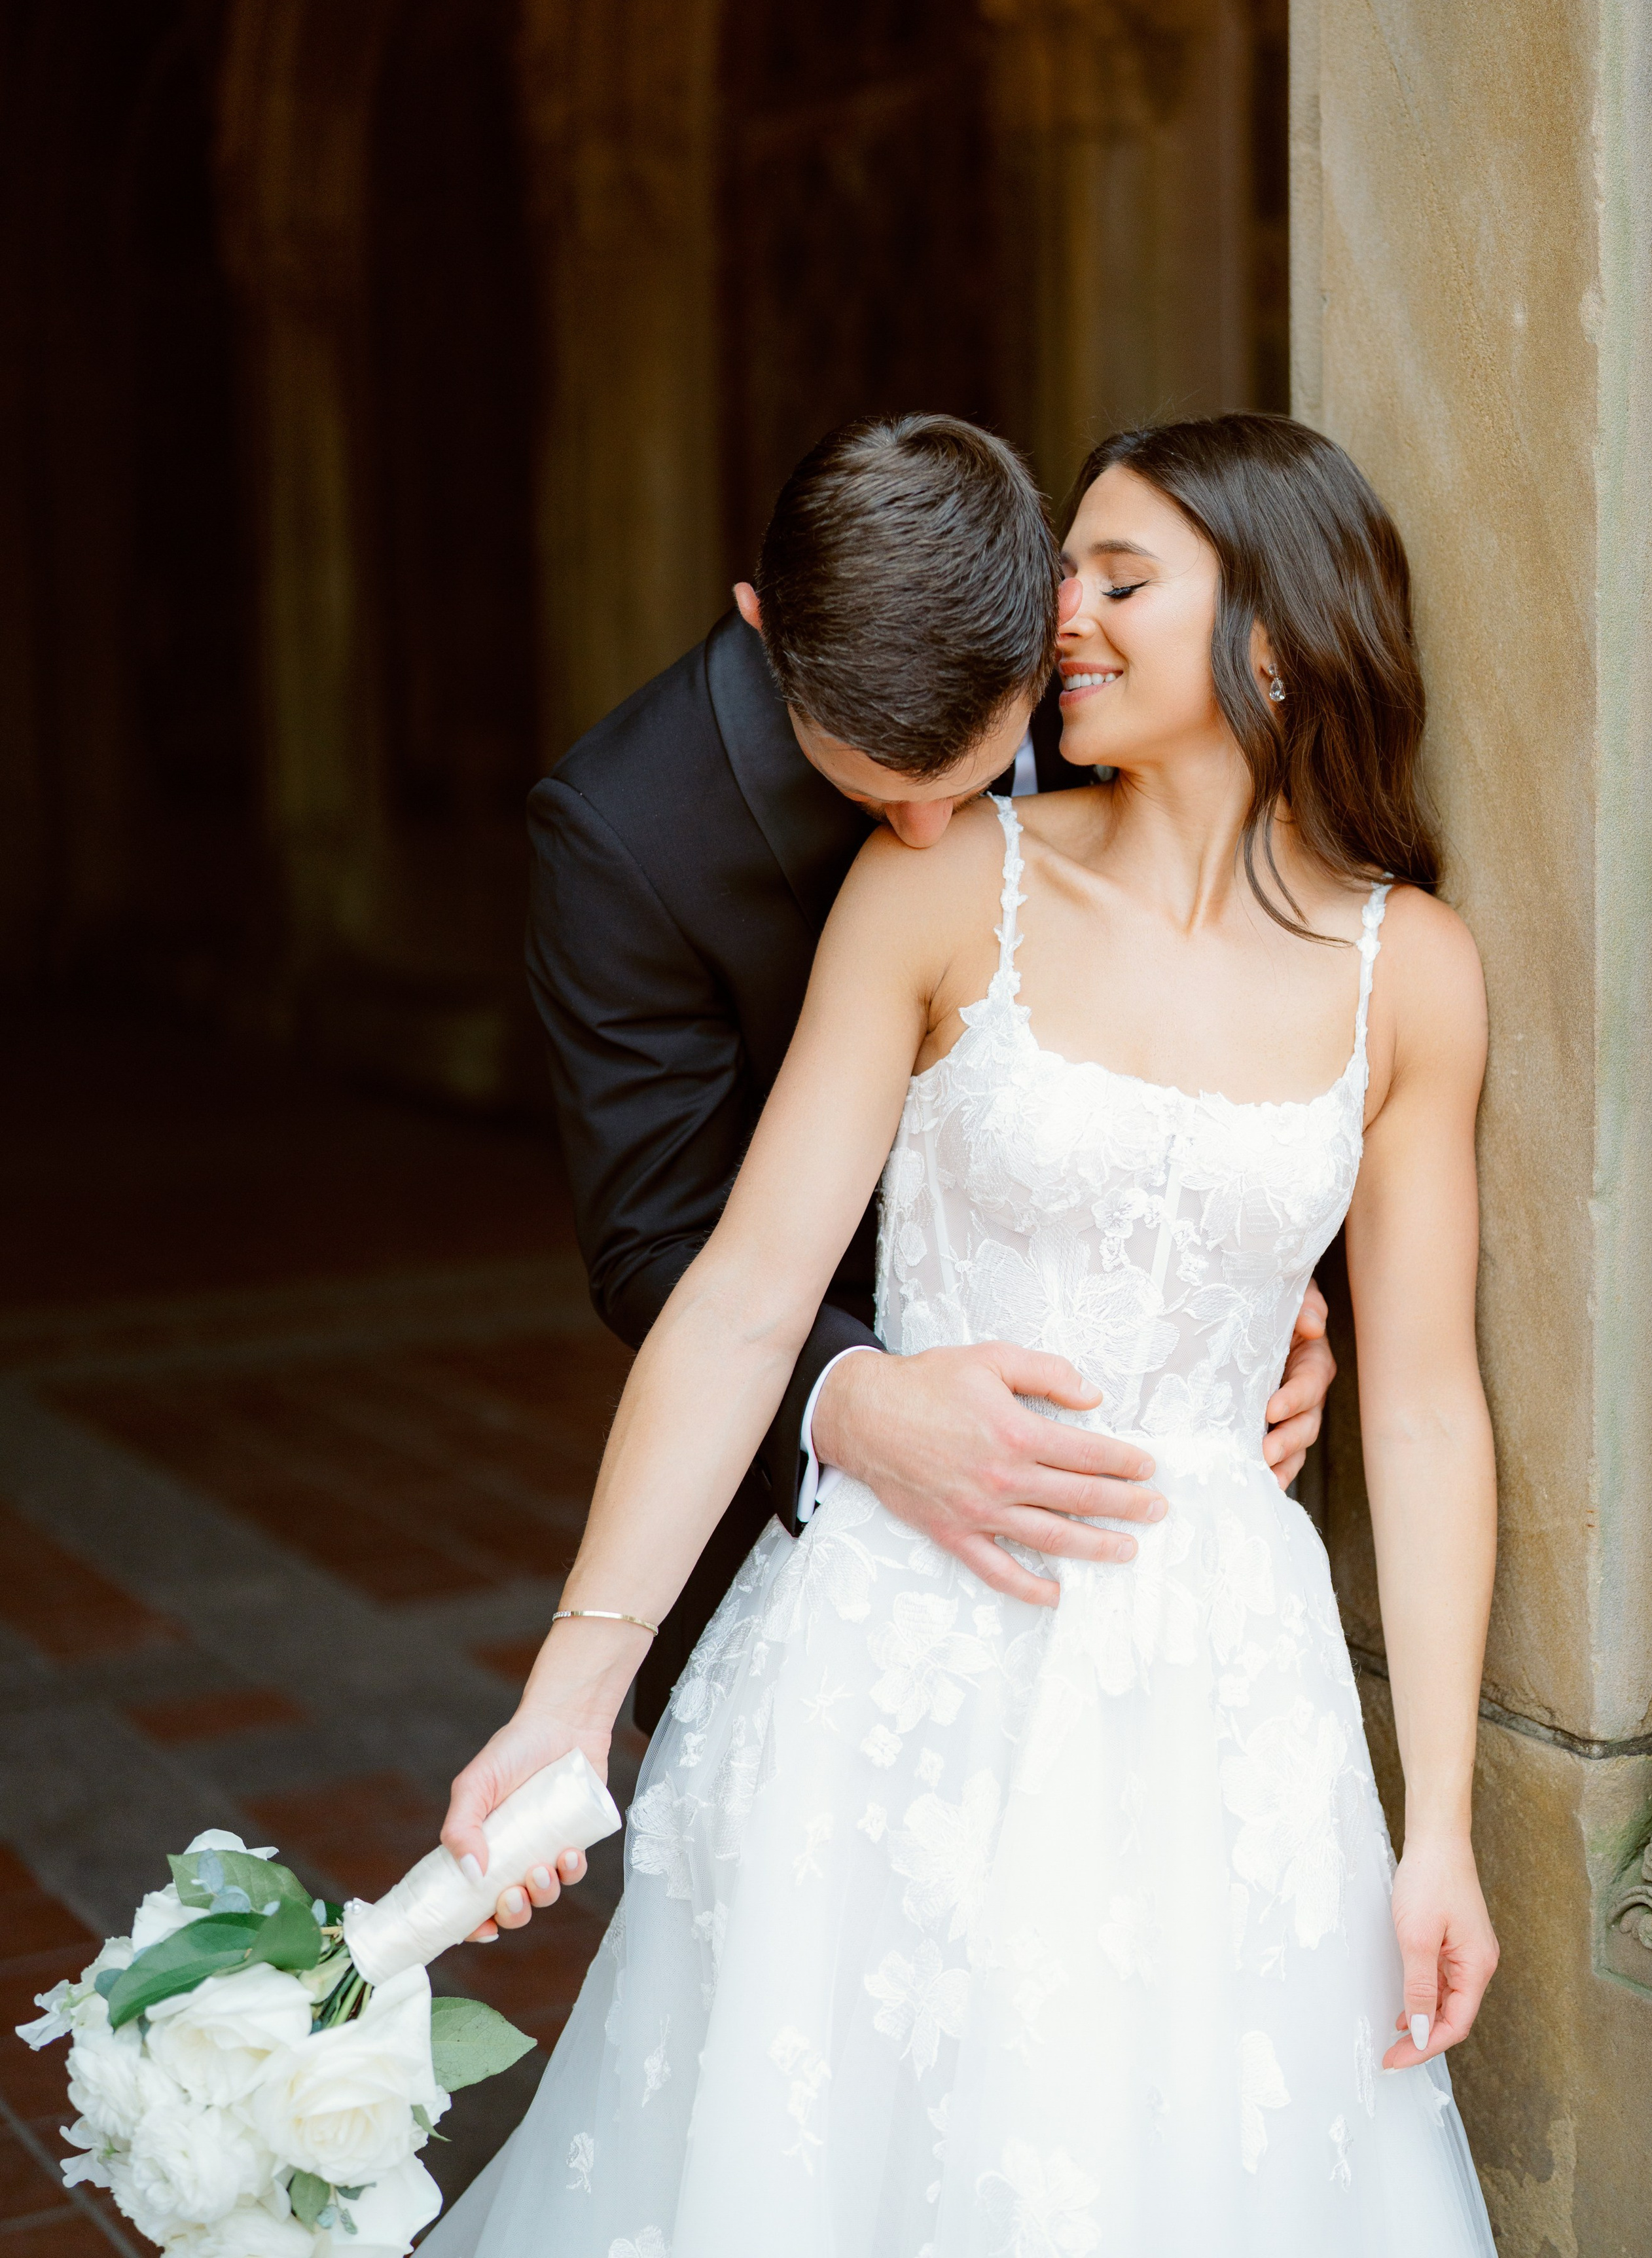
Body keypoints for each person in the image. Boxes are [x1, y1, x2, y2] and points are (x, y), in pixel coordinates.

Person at [427, 412, 1499, 2253]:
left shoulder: (1418, 972)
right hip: (895, 1648)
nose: (1064, 615)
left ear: (1273, 638)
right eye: (1066, 573)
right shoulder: (926, 884)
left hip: (1219, 1699)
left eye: (1114, 576)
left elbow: (1424, 1407)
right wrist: (567, 1700)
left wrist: (1445, 1828)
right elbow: (733, 1293)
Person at [524, 413, 1333, 1732]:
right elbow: (656, 1241)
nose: (924, 838)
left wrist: (1265, 1280)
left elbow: (1274, 1005)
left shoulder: (1117, 673)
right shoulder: (622, 833)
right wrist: (859, 1401)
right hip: (836, 1528)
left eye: (963, 783)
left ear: (1051, 615)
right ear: (755, 621)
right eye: (871, 793)